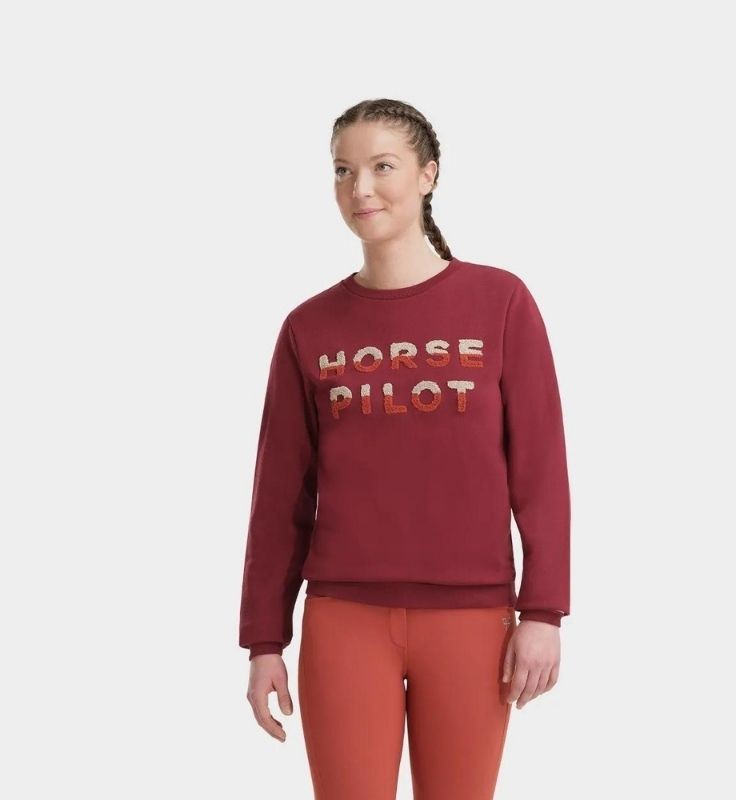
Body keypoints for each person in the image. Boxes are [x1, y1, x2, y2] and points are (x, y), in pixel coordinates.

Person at [239, 98, 571, 800]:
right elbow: (279, 496)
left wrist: (543, 612)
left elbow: (541, 472)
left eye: (382, 166)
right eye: (343, 170)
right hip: (343, 619)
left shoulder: (501, 301)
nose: (360, 188)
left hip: (473, 619)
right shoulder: (308, 327)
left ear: (428, 175)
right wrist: (265, 641)